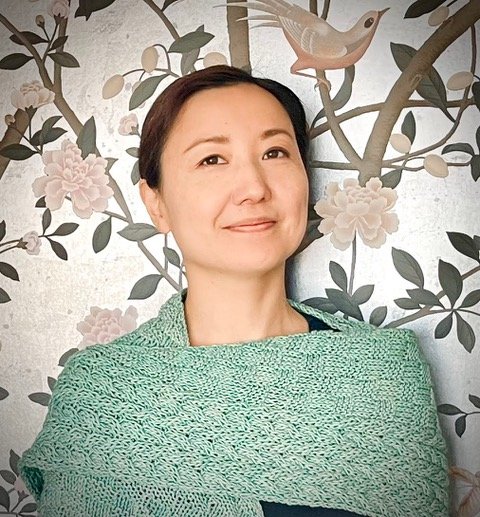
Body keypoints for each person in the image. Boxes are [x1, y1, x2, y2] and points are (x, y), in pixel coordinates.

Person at [19, 65, 449, 516]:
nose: (254, 188)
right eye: (212, 159)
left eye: (275, 152)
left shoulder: (382, 375)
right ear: (156, 204)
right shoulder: (100, 394)